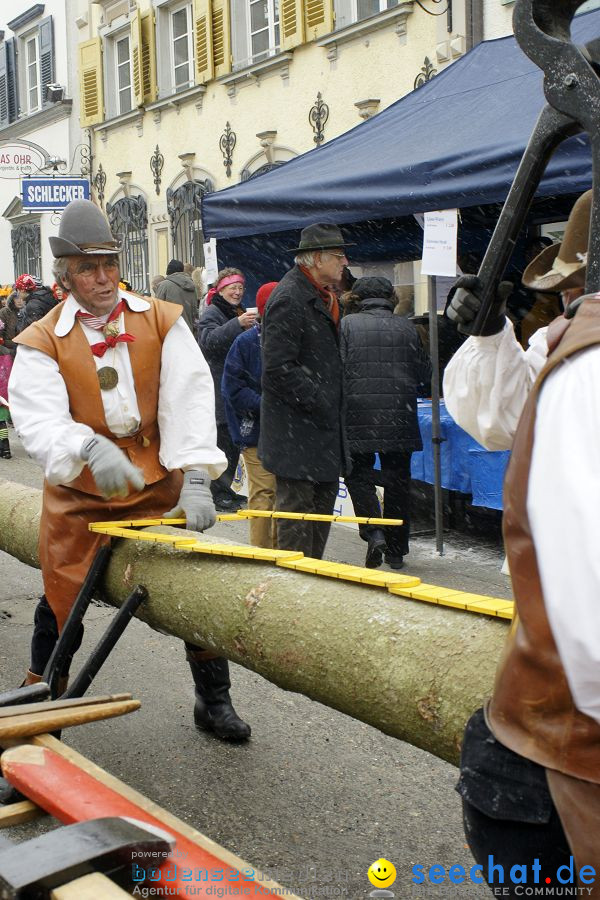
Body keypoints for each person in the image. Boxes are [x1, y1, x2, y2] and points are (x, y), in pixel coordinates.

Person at [8, 199, 250, 741]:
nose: (103, 278)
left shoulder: (161, 319)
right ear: (65, 277)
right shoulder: (41, 339)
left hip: (156, 484)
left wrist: (193, 477)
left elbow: (188, 397)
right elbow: (39, 423)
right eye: (88, 269)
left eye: (110, 265)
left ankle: (213, 701)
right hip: (81, 494)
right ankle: (39, 716)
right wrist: (89, 448)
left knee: (194, 590)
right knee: (60, 601)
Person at [443, 189, 590, 450]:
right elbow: (505, 421)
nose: (571, 300)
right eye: (568, 290)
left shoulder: (564, 340)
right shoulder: (557, 340)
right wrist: (490, 336)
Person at [259, 223, 351, 558]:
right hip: (297, 438)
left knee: (318, 527)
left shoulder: (322, 296)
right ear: (315, 259)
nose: (345, 262)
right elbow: (276, 369)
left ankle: (311, 591)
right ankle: (293, 597)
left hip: (318, 437)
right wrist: (320, 399)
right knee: (297, 535)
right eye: (338, 256)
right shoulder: (290, 298)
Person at [340, 277, 431, 569]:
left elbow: (337, 370)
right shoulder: (408, 327)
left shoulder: (346, 326)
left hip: (357, 414)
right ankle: (396, 549)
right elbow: (424, 374)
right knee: (398, 482)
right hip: (399, 414)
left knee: (357, 474)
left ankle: (374, 531)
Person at [221, 282, 278, 549]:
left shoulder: (295, 338)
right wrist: (266, 404)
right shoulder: (245, 343)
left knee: (285, 496)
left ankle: (283, 554)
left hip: (290, 432)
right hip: (255, 429)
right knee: (264, 491)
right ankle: (261, 553)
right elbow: (232, 390)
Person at [198, 268, 256, 512]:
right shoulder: (213, 312)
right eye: (232, 287)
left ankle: (225, 489)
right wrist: (237, 324)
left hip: (234, 385)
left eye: (241, 287)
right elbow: (209, 343)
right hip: (219, 386)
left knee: (232, 444)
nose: (237, 292)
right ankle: (217, 492)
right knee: (223, 444)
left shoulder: (238, 311)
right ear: (220, 289)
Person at [154, 259, 198, 332]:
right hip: (188, 332)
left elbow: (157, 310)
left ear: (169, 272)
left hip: (171, 331)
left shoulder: (164, 286)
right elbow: (194, 312)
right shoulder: (192, 286)